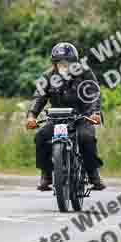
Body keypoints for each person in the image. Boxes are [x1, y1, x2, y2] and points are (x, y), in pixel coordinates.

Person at [25, 42, 105, 191]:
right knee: (41, 135)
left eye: (67, 62)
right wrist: (31, 116)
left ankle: (93, 174)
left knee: (86, 138)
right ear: (54, 63)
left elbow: (94, 93)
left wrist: (95, 113)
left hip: (82, 117)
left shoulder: (85, 73)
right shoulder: (47, 76)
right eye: (60, 62)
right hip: (57, 118)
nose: (64, 65)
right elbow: (39, 97)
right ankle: (46, 175)